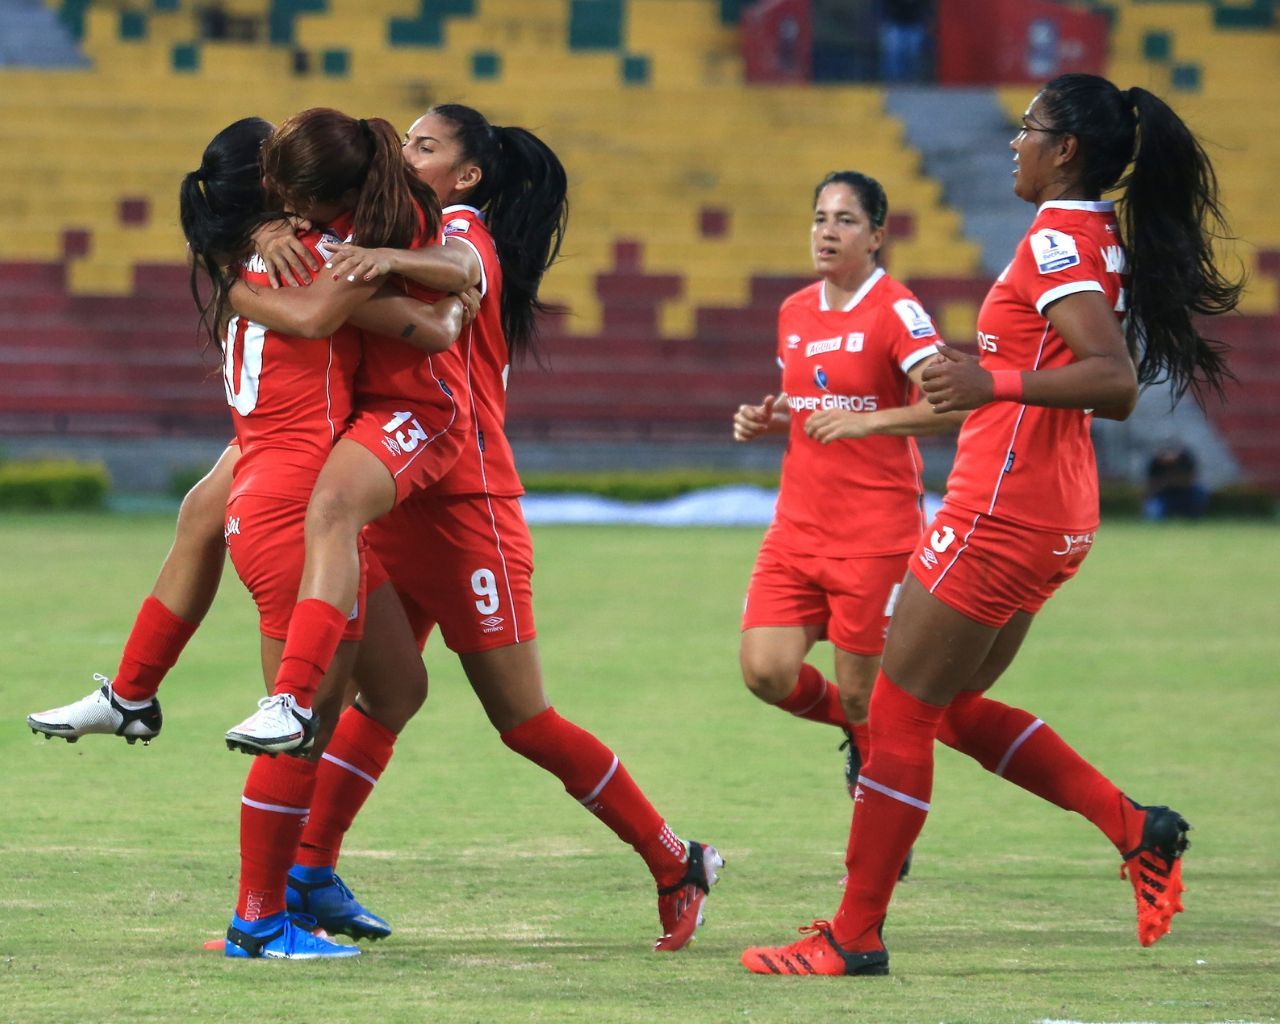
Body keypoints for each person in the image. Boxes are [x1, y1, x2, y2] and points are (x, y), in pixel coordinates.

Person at [30, 104, 722, 952]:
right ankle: (293, 872)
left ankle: (674, 857)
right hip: (376, 475)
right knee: (380, 688)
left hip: (460, 498)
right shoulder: (349, 224)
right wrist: (259, 236)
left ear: (465, 175)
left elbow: (443, 280)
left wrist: (286, 264)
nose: (406, 151)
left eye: (425, 146)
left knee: (520, 717)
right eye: (404, 143)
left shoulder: (453, 227)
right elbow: (315, 268)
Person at [741, 73, 1241, 975]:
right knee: (948, 707)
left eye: (1029, 129)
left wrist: (991, 380)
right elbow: (1059, 361)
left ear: (1066, 151)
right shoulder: (1094, 236)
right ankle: (1136, 827)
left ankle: (852, 937)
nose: (1015, 143)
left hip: (1002, 509)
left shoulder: (1055, 240)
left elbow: (1113, 381)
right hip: (1052, 509)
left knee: (896, 713)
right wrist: (985, 369)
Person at [220, 107, 473, 758]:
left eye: (291, 197)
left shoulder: (394, 216)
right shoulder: (324, 220)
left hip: (414, 409)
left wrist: (231, 287)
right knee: (203, 511)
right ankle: (133, 689)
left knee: (330, 507)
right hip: (358, 410)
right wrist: (262, 231)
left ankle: (289, 698)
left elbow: (457, 270)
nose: (282, 204)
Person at [732, 170, 962, 834]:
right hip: (796, 530)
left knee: (865, 694)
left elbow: (953, 405)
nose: (826, 232)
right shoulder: (794, 311)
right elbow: (816, 404)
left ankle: (883, 818)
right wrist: (771, 419)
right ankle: (868, 739)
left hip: (874, 536)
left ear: (876, 236)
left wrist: (872, 422)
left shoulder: (896, 310)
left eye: (845, 220)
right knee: (765, 672)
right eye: (819, 218)